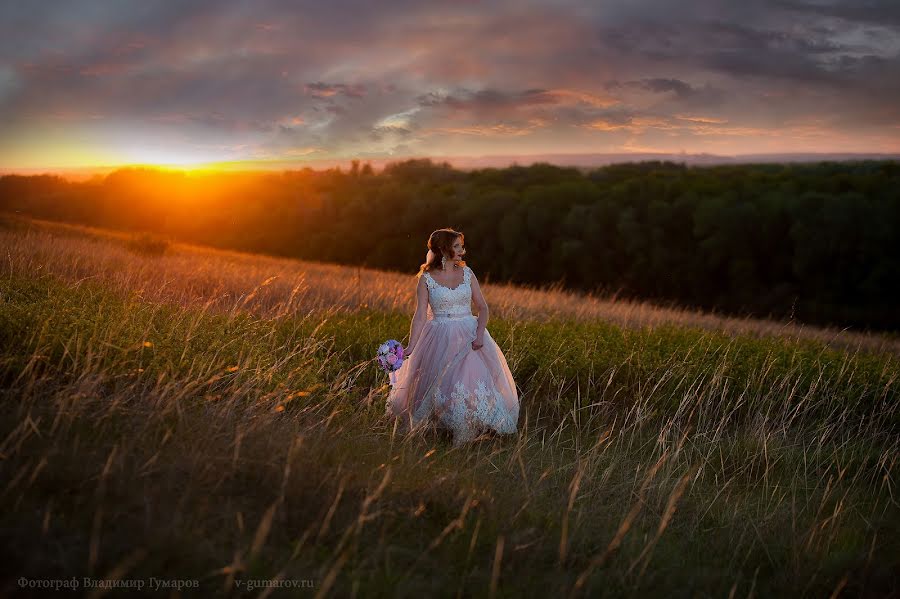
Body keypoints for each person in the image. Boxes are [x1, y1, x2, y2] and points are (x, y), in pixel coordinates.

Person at [385, 228, 519, 446]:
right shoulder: (426, 279)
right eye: (457, 247)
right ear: (443, 249)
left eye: (461, 246)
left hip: (469, 334)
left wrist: (479, 335)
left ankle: (464, 432)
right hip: (438, 335)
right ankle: (443, 429)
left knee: (469, 380)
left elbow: (483, 308)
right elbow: (419, 316)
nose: (462, 251)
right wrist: (410, 346)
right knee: (441, 383)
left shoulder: (468, 273)